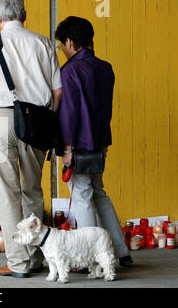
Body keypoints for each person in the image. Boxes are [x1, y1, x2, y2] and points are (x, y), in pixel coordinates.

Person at [0, 0, 63, 278]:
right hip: (36, 121)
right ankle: (36, 257)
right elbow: (57, 91)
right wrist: (48, 119)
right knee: (33, 189)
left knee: (7, 193)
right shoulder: (43, 43)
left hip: (0, 119)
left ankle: (18, 263)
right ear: (24, 14)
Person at [55, 16, 133, 268]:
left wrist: (67, 149)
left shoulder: (70, 71)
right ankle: (122, 252)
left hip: (78, 145)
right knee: (99, 193)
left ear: (70, 41)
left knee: (82, 196)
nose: (62, 50)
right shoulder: (105, 67)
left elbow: (69, 113)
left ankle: (91, 259)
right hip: (100, 142)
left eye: (62, 45)